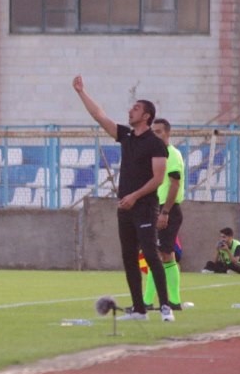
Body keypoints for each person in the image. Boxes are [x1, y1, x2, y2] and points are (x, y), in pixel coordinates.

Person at [73, 75, 174, 322]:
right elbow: (99, 116)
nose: (130, 111)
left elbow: (158, 179)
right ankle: (139, 309)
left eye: (136, 108)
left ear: (146, 116)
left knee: (150, 253)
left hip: (144, 207)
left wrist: (135, 196)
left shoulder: (155, 144)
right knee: (129, 257)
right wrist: (81, 92)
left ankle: (165, 306)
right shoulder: (126, 136)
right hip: (125, 207)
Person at [143, 118, 184, 310]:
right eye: (153, 131)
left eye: (159, 131)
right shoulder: (158, 155)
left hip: (168, 209)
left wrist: (165, 212)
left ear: (168, 133)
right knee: (160, 255)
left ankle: (164, 301)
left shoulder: (171, 154)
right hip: (156, 208)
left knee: (163, 255)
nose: (155, 135)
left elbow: (174, 184)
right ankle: (156, 301)